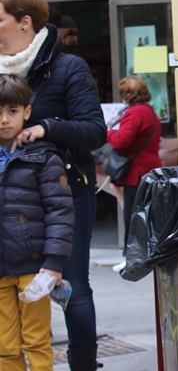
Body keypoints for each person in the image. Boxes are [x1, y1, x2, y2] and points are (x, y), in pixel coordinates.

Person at [0, 0, 107, 370]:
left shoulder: (67, 68)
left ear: (24, 23)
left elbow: (95, 132)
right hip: (9, 201)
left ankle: (82, 364)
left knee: (72, 288)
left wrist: (47, 127)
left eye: (0, 20)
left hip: (64, 195)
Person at [0, 73, 74, 370]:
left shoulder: (43, 157)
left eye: (12, 111)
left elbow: (60, 210)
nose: (4, 119)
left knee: (36, 341)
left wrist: (54, 262)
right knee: (4, 346)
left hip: (34, 267)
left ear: (26, 112)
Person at [107, 76, 162, 273]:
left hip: (136, 174)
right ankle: (143, 256)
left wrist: (107, 132)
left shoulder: (135, 113)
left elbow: (122, 141)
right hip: (150, 170)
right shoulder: (150, 112)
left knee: (132, 216)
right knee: (146, 216)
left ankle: (130, 258)